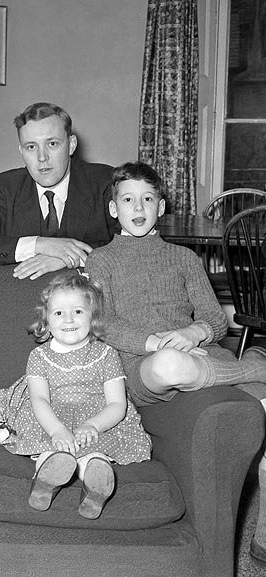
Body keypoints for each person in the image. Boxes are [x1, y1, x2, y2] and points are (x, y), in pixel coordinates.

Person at [84, 161, 266, 556]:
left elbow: (216, 318)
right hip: (142, 365)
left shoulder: (184, 258)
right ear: (113, 209)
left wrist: (193, 332)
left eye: (148, 198)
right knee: (169, 364)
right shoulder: (101, 260)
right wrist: (153, 342)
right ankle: (255, 364)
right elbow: (102, 324)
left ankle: (264, 533)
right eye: (128, 199)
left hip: (201, 355)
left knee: (264, 403)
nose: (138, 207)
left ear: (161, 207)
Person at [0, 270, 150, 518]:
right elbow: (39, 399)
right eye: (59, 313)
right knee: (53, 452)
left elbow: (116, 404)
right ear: (46, 320)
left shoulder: (106, 354)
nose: (68, 319)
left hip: (97, 420)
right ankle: (44, 482)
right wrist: (56, 429)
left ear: (93, 317)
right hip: (52, 417)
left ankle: (94, 486)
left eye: (78, 311)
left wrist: (93, 425)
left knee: (94, 454)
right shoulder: (39, 356)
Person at [0, 102, 119, 280]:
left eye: (52, 144)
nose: (42, 157)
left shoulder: (104, 181)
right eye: (31, 147)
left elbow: (135, 242)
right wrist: (39, 245)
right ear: (21, 151)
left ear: (71, 145)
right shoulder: (7, 188)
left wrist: (71, 257)